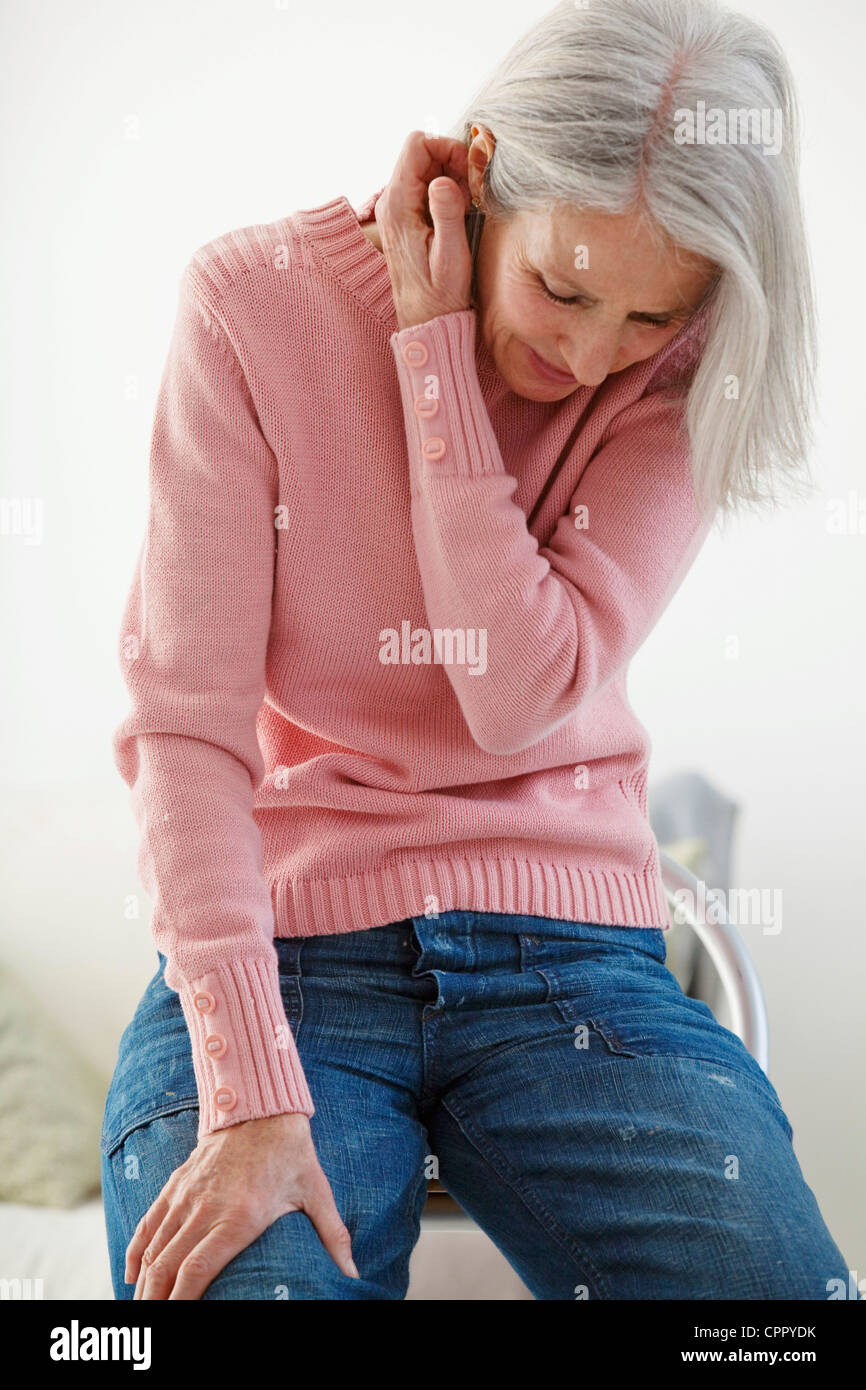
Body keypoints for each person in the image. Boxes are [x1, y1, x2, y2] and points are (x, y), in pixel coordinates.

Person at [102, 0, 851, 1299]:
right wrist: (248, 1090)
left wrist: (433, 355)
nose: (588, 354)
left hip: (569, 953)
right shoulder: (247, 307)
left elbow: (513, 694)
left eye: (643, 318)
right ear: (480, 170)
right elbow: (185, 731)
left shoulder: (681, 374)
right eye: (561, 288)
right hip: (290, 953)